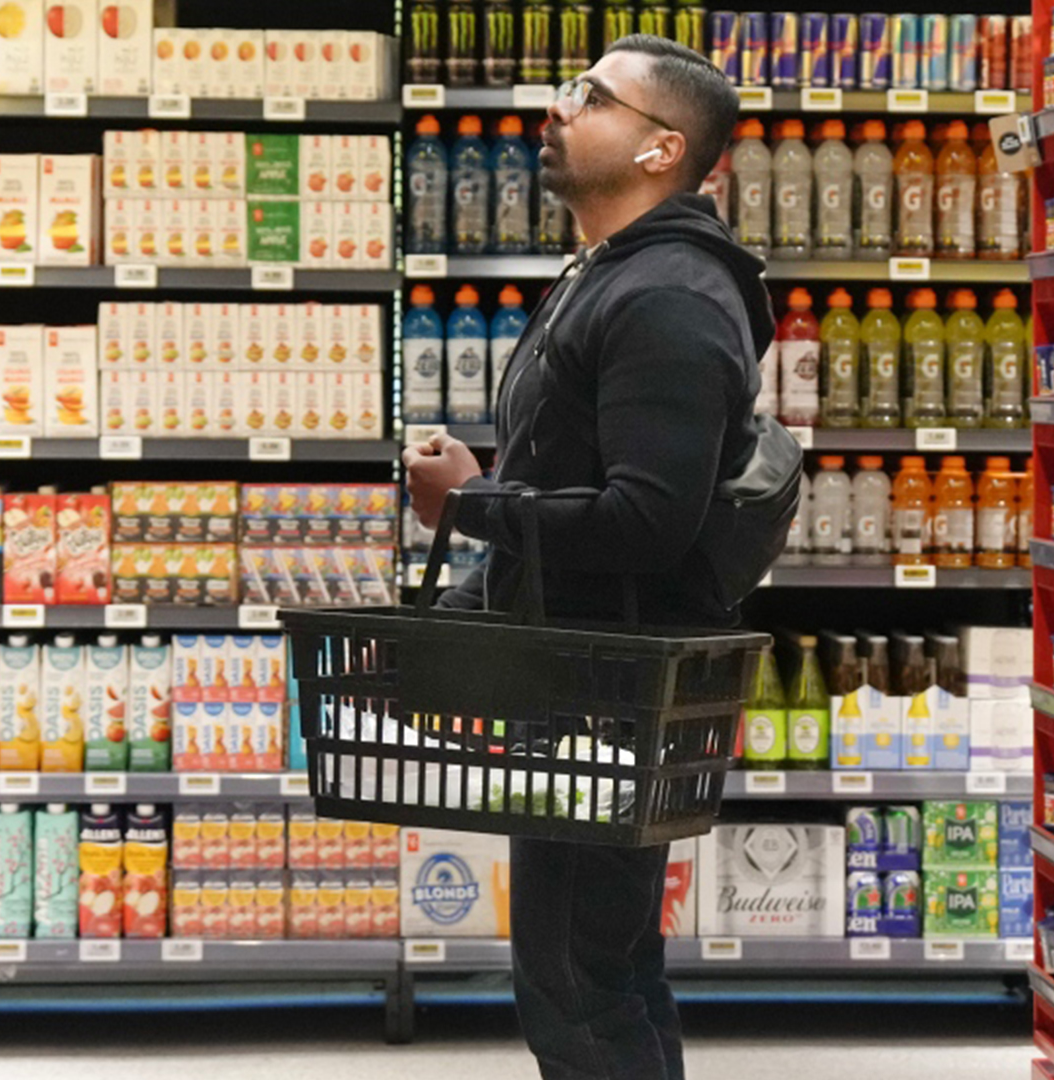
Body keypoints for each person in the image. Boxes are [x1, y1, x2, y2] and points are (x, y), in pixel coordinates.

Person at [401, 35, 773, 1080]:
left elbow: (646, 522)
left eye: (590, 97)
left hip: (609, 688)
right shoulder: (615, 275)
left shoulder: (668, 296)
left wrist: (471, 505)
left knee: (579, 986)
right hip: (579, 674)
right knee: (600, 969)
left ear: (662, 150)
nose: (557, 111)